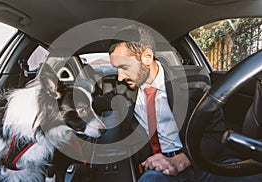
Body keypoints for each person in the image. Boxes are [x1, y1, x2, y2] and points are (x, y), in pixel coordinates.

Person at [91, 25, 262, 182]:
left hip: (204, 161)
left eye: (124, 67)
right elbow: (94, 104)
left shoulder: (193, 81)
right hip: (161, 171)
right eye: (117, 69)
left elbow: (216, 133)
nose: (119, 77)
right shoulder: (123, 90)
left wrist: (180, 161)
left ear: (147, 57)